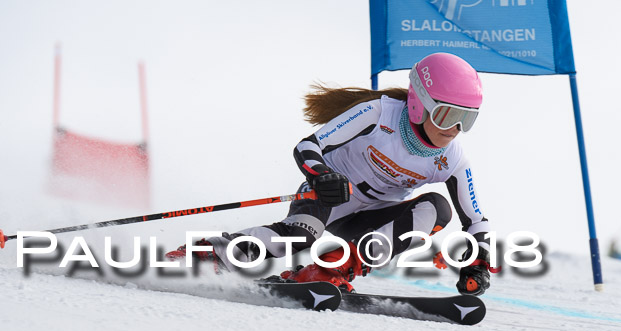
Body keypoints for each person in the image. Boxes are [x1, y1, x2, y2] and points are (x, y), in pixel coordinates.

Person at [168, 52, 497, 295]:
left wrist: (479, 260)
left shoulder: (452, 160)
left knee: (436, 208)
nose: (455, 129)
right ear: (419, 103)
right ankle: (208, 253)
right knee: (300, 237)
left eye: (467, 119)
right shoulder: (377, 113)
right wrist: (321, 174)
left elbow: (475, 219)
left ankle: (327, 269)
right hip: (330, 197)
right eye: (447, 115)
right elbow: (308, 147)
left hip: (371, 218)